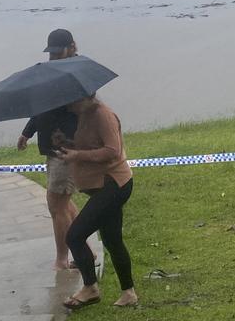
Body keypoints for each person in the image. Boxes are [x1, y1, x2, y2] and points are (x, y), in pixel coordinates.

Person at [58, 92, 138, 309]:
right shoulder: (84, 114)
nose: (68, 107)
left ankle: (90, 288)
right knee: (112, 240)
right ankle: (128, 293)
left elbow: (113, 151)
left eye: (71, 101)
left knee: (74, 236)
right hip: (101, 186)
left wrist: (77, 156)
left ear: (83, 97)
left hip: (113, 183)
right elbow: (89, 143)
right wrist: (67, 144)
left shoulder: (102, 115)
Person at [16, 28, 81, 271]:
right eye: (51, 53)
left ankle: (62, 259)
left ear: (72, 47)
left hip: (67, 150)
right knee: (62, 203)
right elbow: (41, 107)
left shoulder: (76, 77)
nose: (54, 57)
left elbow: (86, 111)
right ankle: (84, 250)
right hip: (51, 149)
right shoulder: (51, 74)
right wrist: (27, 131)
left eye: (58, 52)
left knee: (56, 204)